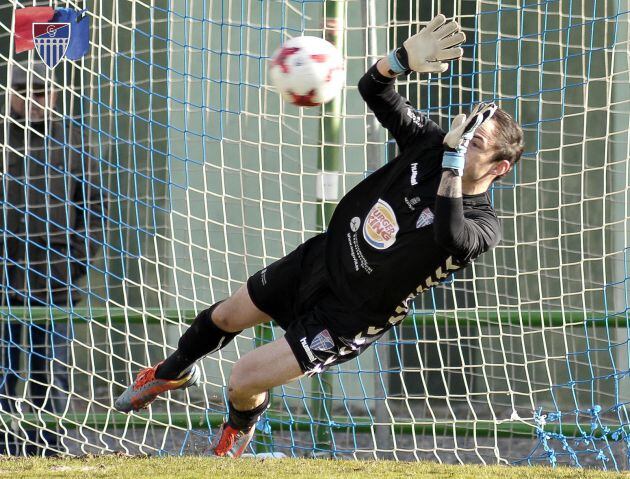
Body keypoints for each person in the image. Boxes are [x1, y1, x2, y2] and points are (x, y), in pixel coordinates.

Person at [115, 14, 524, 458]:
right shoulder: (430, 145)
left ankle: (237, 432)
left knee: (242, 380)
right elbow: (375, 89)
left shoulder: (484, 225)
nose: (461, 143)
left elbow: (448, 233)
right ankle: (172, 371)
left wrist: (451, 162)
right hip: (323, 258)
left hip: (351, 314)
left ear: (499, 168)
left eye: (475, 144)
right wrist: (401, 59)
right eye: (464, 134)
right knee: (227, 316)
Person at [0, 61, 103, 455]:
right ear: (10, 95)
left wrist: (72, 265)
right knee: (4, 370)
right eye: (24, 92)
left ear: (55, 95)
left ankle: (47, 445)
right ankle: (4, 444)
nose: (34, 100)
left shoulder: (75, 144)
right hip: (4, 278)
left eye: (41, 92)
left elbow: (94, 212)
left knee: (51, 370)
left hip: (55, 281)